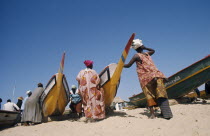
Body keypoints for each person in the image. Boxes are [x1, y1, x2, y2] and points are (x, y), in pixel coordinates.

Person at [124, 39, 173, 119]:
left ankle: (153, 115)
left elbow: (128, 65)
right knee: (161, 94)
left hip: (145, 78)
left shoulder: (136, 56)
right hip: (157, 75)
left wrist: (120, 65)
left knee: (149, 95)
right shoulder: (147, 53)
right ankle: (165, 113)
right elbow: (153, 50)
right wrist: (145, 47)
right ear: (141, 46)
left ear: (135, 49)